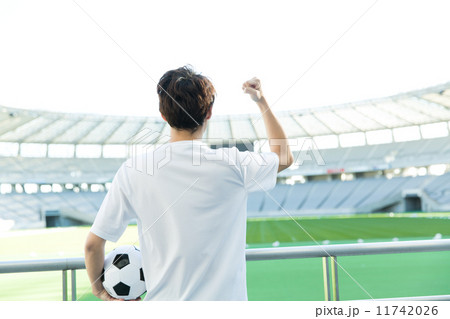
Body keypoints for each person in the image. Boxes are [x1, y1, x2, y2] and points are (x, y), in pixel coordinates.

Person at [84, 66, 294, 301]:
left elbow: (93, 245)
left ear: (163, 115)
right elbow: (284, 156)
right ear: (209, 113)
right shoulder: (233, 164)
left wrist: (99, 290)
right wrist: (261, 100)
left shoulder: (133, 170)